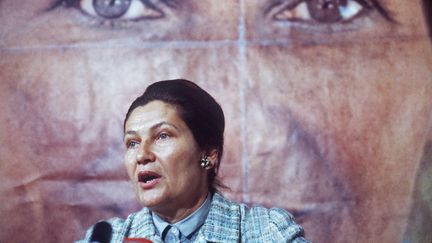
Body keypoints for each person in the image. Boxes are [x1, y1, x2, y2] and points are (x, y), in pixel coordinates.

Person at [77, 79, 309, 242]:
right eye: (133, 143)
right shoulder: (108, 238)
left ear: (208, 153)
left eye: (162, 136)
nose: (142, 155)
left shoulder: (267, 232)